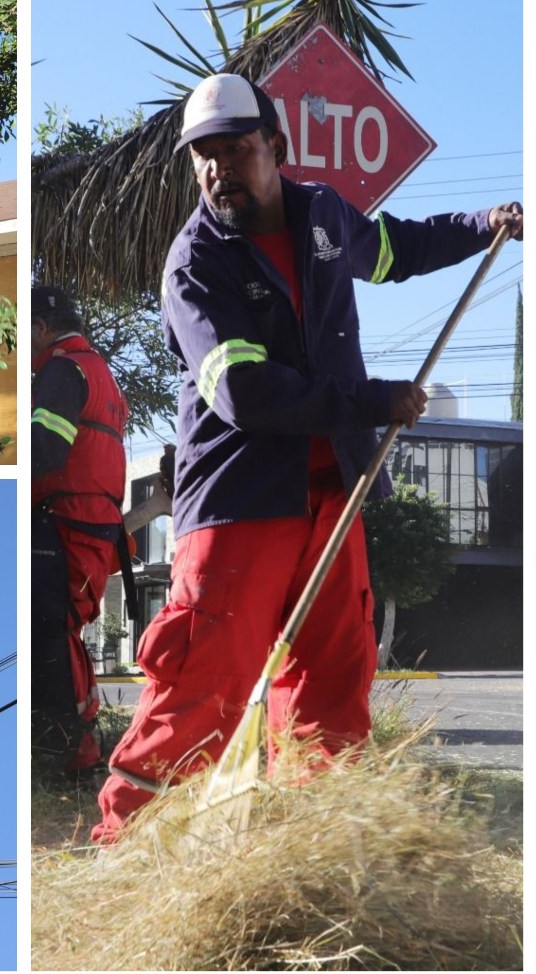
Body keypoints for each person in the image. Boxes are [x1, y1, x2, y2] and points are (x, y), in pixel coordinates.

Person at [93, 73, 523, 843]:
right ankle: (124, 848)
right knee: (203, 685)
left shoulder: (322, 213)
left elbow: (397, 247)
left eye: (237, 149)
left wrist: (483, 222)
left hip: (336, 495)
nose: (219, 168)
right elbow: (246, 395)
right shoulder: (193, 265)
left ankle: (320, 844)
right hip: (239, 503)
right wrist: (367, 400)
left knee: (334, 675)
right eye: (205, 157)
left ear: (276, 149)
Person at [31, 286, 130, 775]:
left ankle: (64, 751)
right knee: (59, 630)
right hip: (93, 526)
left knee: (46, 633)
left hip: (61, 520)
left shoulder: (62, 369)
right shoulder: (101, 373)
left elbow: (45, 448)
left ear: (41, 328)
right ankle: (74, 747)